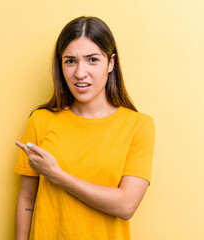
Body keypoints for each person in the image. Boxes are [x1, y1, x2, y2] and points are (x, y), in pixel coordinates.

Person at [14, 16, 155, 240]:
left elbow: (126, 205)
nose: (80, 73)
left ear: (110, 63)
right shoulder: (40, 120)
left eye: (92, 60)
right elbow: (26, 200)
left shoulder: (138, 126)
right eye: (70, 61)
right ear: (60, 65)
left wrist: (57, 175)